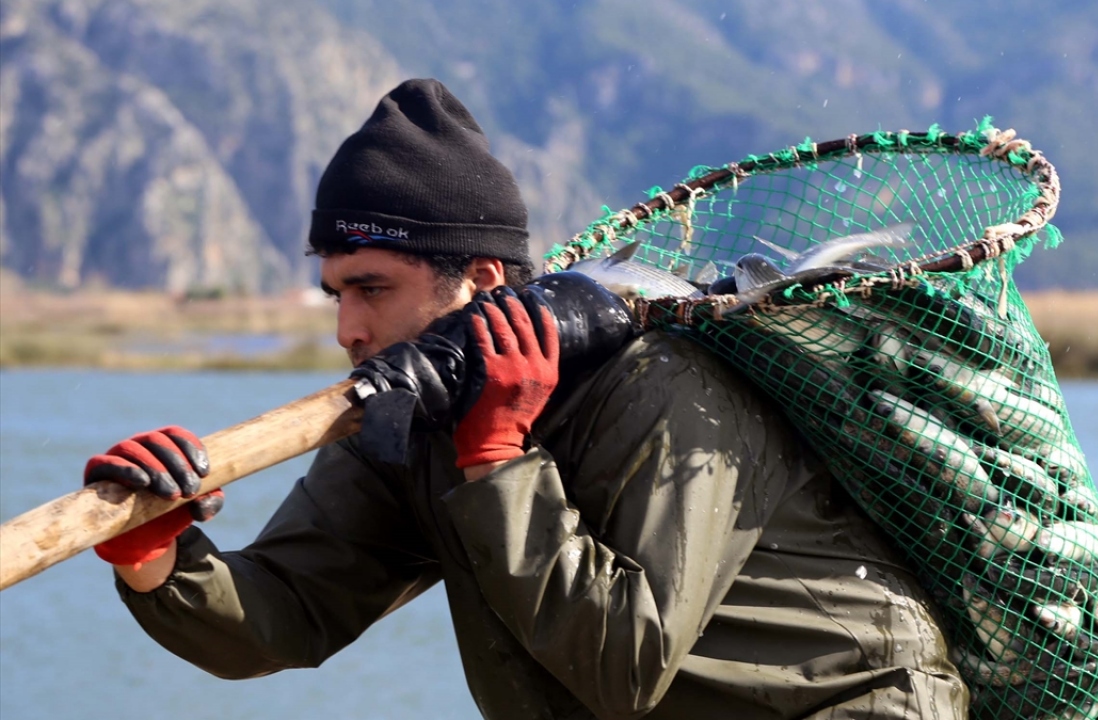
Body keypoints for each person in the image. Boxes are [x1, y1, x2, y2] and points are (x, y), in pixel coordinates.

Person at [85, 78, 969, 720]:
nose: (348, 328)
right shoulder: (404, 421)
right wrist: (157, 555)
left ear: (478, 279)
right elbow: (287, 617)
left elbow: (625, 663)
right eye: (335, 294)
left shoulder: (661, 390)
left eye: (372, 289)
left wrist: (500, 461)